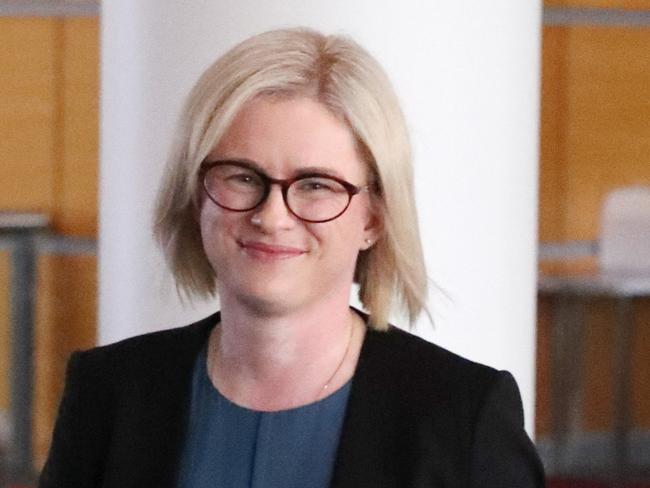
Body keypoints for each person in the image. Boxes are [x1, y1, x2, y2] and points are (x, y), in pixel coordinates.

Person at [39, 27, 545, 488]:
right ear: (197, 196)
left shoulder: (463, 416)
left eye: (316, 185)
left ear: (373, 218)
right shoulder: (108, 392)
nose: (273, 216)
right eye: (242, 176)